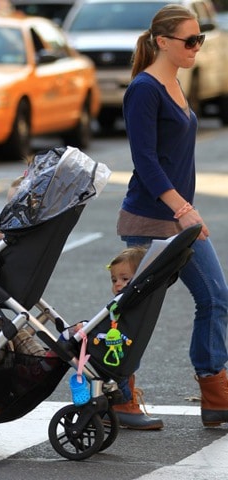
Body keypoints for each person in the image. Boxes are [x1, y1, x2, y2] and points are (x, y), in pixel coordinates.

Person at [117, 3, 228, 429]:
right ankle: (119, 396)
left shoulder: (175, 83)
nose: (197, 47)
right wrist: (183, 209)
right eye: (190, 40)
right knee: (138, 311)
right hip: (152, 218)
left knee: (215, 297)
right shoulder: (144, 90)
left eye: (200, 38)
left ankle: (215, 391)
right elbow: (144, 160)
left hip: (176, 217)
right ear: (162, 41)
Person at [107, 246, 164, 430]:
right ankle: (123, 403)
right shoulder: (119, 304)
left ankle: (123, 400)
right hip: (112, 353)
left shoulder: (133, 305)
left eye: (125, 279)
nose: (117, 284)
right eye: (114, 279)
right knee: (123, 365)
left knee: (128, 362)